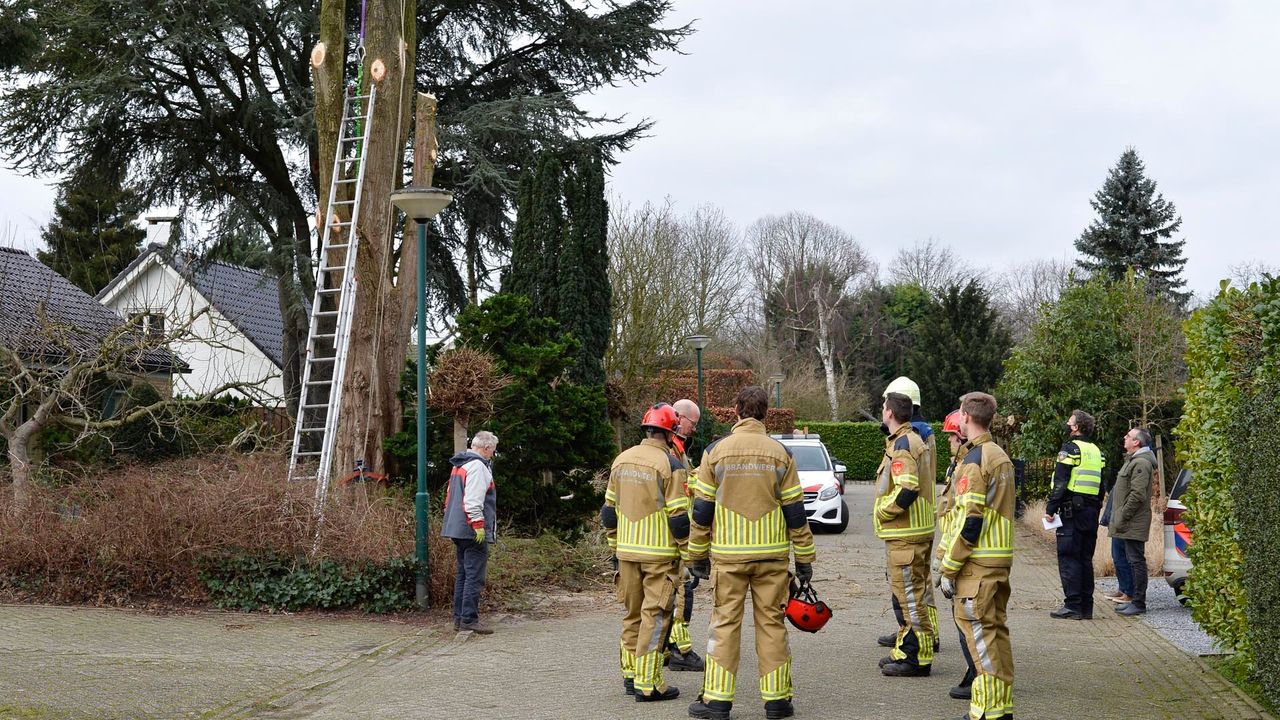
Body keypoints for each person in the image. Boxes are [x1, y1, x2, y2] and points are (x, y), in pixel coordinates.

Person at [686, 386, 816, 720]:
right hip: (772, 558)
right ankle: (777, 702)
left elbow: (702, 511)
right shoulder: (781, 453)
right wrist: (804, 558)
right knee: (772, 625)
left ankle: (716, 702)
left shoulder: (715, 452)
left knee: (725, 624)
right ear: (766, 413)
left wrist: (696, 556)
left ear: (736, 410)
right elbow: (796, 513)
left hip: (729, 558)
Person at [602, 404, 689, 703]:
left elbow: (608, 512)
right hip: (660, 557)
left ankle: (629, 676)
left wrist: (615, 545)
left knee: (632, 615)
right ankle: (649, 684)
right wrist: (690, 553)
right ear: (670, 432)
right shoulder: (671, 465)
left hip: (626, 553)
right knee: (656, 617)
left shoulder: (620, 460)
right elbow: (678, 517)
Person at [938, 392, 1015, 720]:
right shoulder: (1000, 455)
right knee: (996, 635)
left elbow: (970, 520)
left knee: (980, 642)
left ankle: (984, 713)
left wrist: (948, 567)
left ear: (966, 418)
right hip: (998, 561)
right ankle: (999, 709)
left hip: (977, 566)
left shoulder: (974, 461)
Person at [875, 391, 938, 677]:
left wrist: (883, 511)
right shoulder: (912, 439)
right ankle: (905, 649)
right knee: (912, 597)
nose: (882, 411)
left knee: (909, 599)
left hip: (906, 534)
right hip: (916, 531)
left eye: (883, 407)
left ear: (890, 413)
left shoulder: (902, 445)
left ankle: (916, 658)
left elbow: (908, 488)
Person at [1044, 409, 1105, 620]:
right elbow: (1102, 485)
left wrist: (1050, 509)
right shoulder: (1098, 451)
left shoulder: (1070, 450)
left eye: (1069, 422)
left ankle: (1072, 605)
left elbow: (1060, 482)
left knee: (1069, 557)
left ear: (1076, 427)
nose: (1067, 425)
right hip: (1091, 511)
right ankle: (1086, 607)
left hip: (1071, 511)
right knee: (1085, 559)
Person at [935, 409, 978, 701]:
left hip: (965, 557)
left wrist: (949, 565)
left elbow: (968, 518)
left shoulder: (969, 466)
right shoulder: (959, 464)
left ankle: (977, 675)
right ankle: (973, 672)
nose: (949, 442)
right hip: (954, 550)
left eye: (951, 436)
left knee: (969, 623)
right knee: (962, 621)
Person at [441, 431, 499, 634]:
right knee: (474, 576)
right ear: (486, 448)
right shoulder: (478, 467)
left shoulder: (460, 465)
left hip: (456, 528)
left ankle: (459, 619)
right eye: (493, 450)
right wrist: (478, 525)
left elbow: (449, 498)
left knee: (463, 574)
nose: (492, 454)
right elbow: (473, 500)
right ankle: (469, 619)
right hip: (471, 530)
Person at [666, 398, 706, 672]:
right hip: (676, 533)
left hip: (676, 530)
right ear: (679, 418)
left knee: (674, 591)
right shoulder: (669, 450)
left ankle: (668, 645)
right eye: (692, 423)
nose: (693, 429)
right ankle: (680, 650)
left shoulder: (676, 448)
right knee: (684, 590)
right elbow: (678, 489)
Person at [1108, 427, 1155, 616]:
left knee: (1136, 560)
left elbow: (1137, 494)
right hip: (1129, 520)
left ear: (1137, 442)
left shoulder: (1141, 463)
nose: (1124, 438)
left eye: (1128, 436)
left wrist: (1123, 515)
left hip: (1133, 520)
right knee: (1131, 558)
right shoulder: (1134, 461)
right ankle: (1133, 600)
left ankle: (1138, 602)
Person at [1099, 483, 1135, 606]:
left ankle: (1129, 592)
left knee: (1126, 558)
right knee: (1118, 558)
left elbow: (1136, 495)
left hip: (1124, 522)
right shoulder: (1128, 467)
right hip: (1117, 520)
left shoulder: (1138, 466)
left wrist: (1123, 515)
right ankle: (1123, 589)